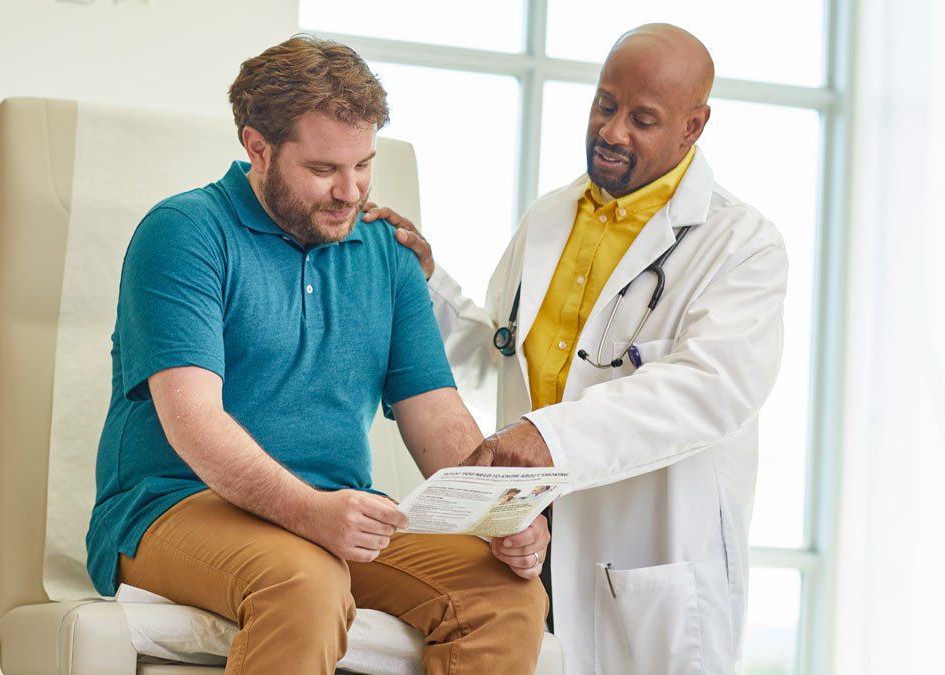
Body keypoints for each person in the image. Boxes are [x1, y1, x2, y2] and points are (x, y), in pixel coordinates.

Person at [84, 35, 550, 675]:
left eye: (364, 165)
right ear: (257, 147)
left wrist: (503, 515)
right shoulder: (184, 232)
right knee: (304, 581)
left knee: (502, 591)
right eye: (325, 170)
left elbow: (436, 414)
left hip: (337, 508)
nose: (351, 191)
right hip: (174, 505)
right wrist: (308, 512)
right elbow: (193, 421)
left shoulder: (386, 252)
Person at [366, 23, 787, 675]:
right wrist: (424, 286)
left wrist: (548, 436)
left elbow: (711, 389)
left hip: (649, 558)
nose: (613, 132)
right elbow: (495, 353)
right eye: (605, 103)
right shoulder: (552, 216)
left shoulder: (741, 244)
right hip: (530, 543)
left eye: (643, 119)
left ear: (693, 126)